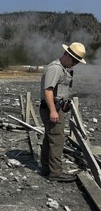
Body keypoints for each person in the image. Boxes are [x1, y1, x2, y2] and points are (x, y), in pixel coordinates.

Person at [39, 42, 86, 182]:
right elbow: (47, 90)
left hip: (55, 108)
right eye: (74, 60)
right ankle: (55, 172)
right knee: (57, 140)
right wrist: (53, 110)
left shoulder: (62, 68)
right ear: (67, 55)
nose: (75, 64)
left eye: (77, 61)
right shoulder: (56, 69)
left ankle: (47, 167)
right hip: (51, 109)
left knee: (50, 138)